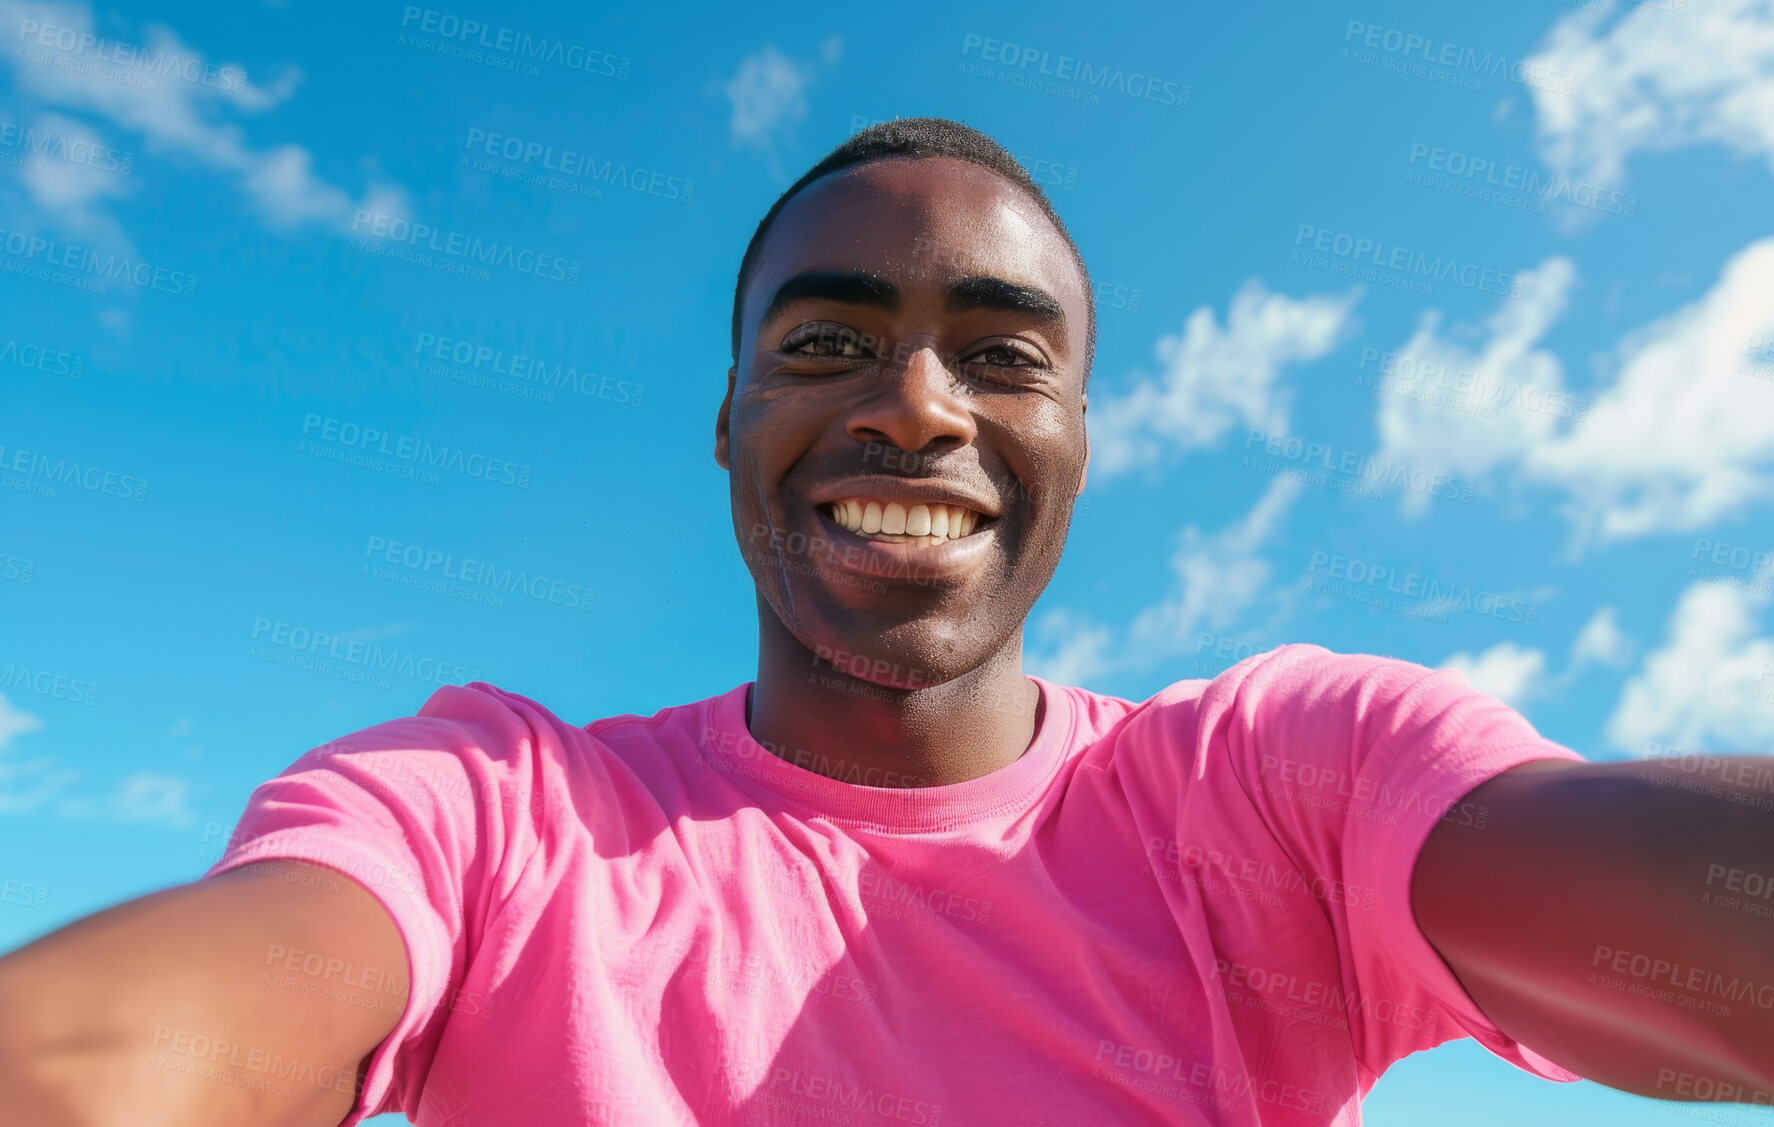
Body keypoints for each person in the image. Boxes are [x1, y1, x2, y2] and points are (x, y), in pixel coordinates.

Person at [2, 117, 1771, 1127]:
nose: (916, 406)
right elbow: (114, 1068)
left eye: (1006, 358)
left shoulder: (1275, 790)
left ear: (1076, 449)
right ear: (728, 432)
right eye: (825, 343)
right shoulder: (488, 811)